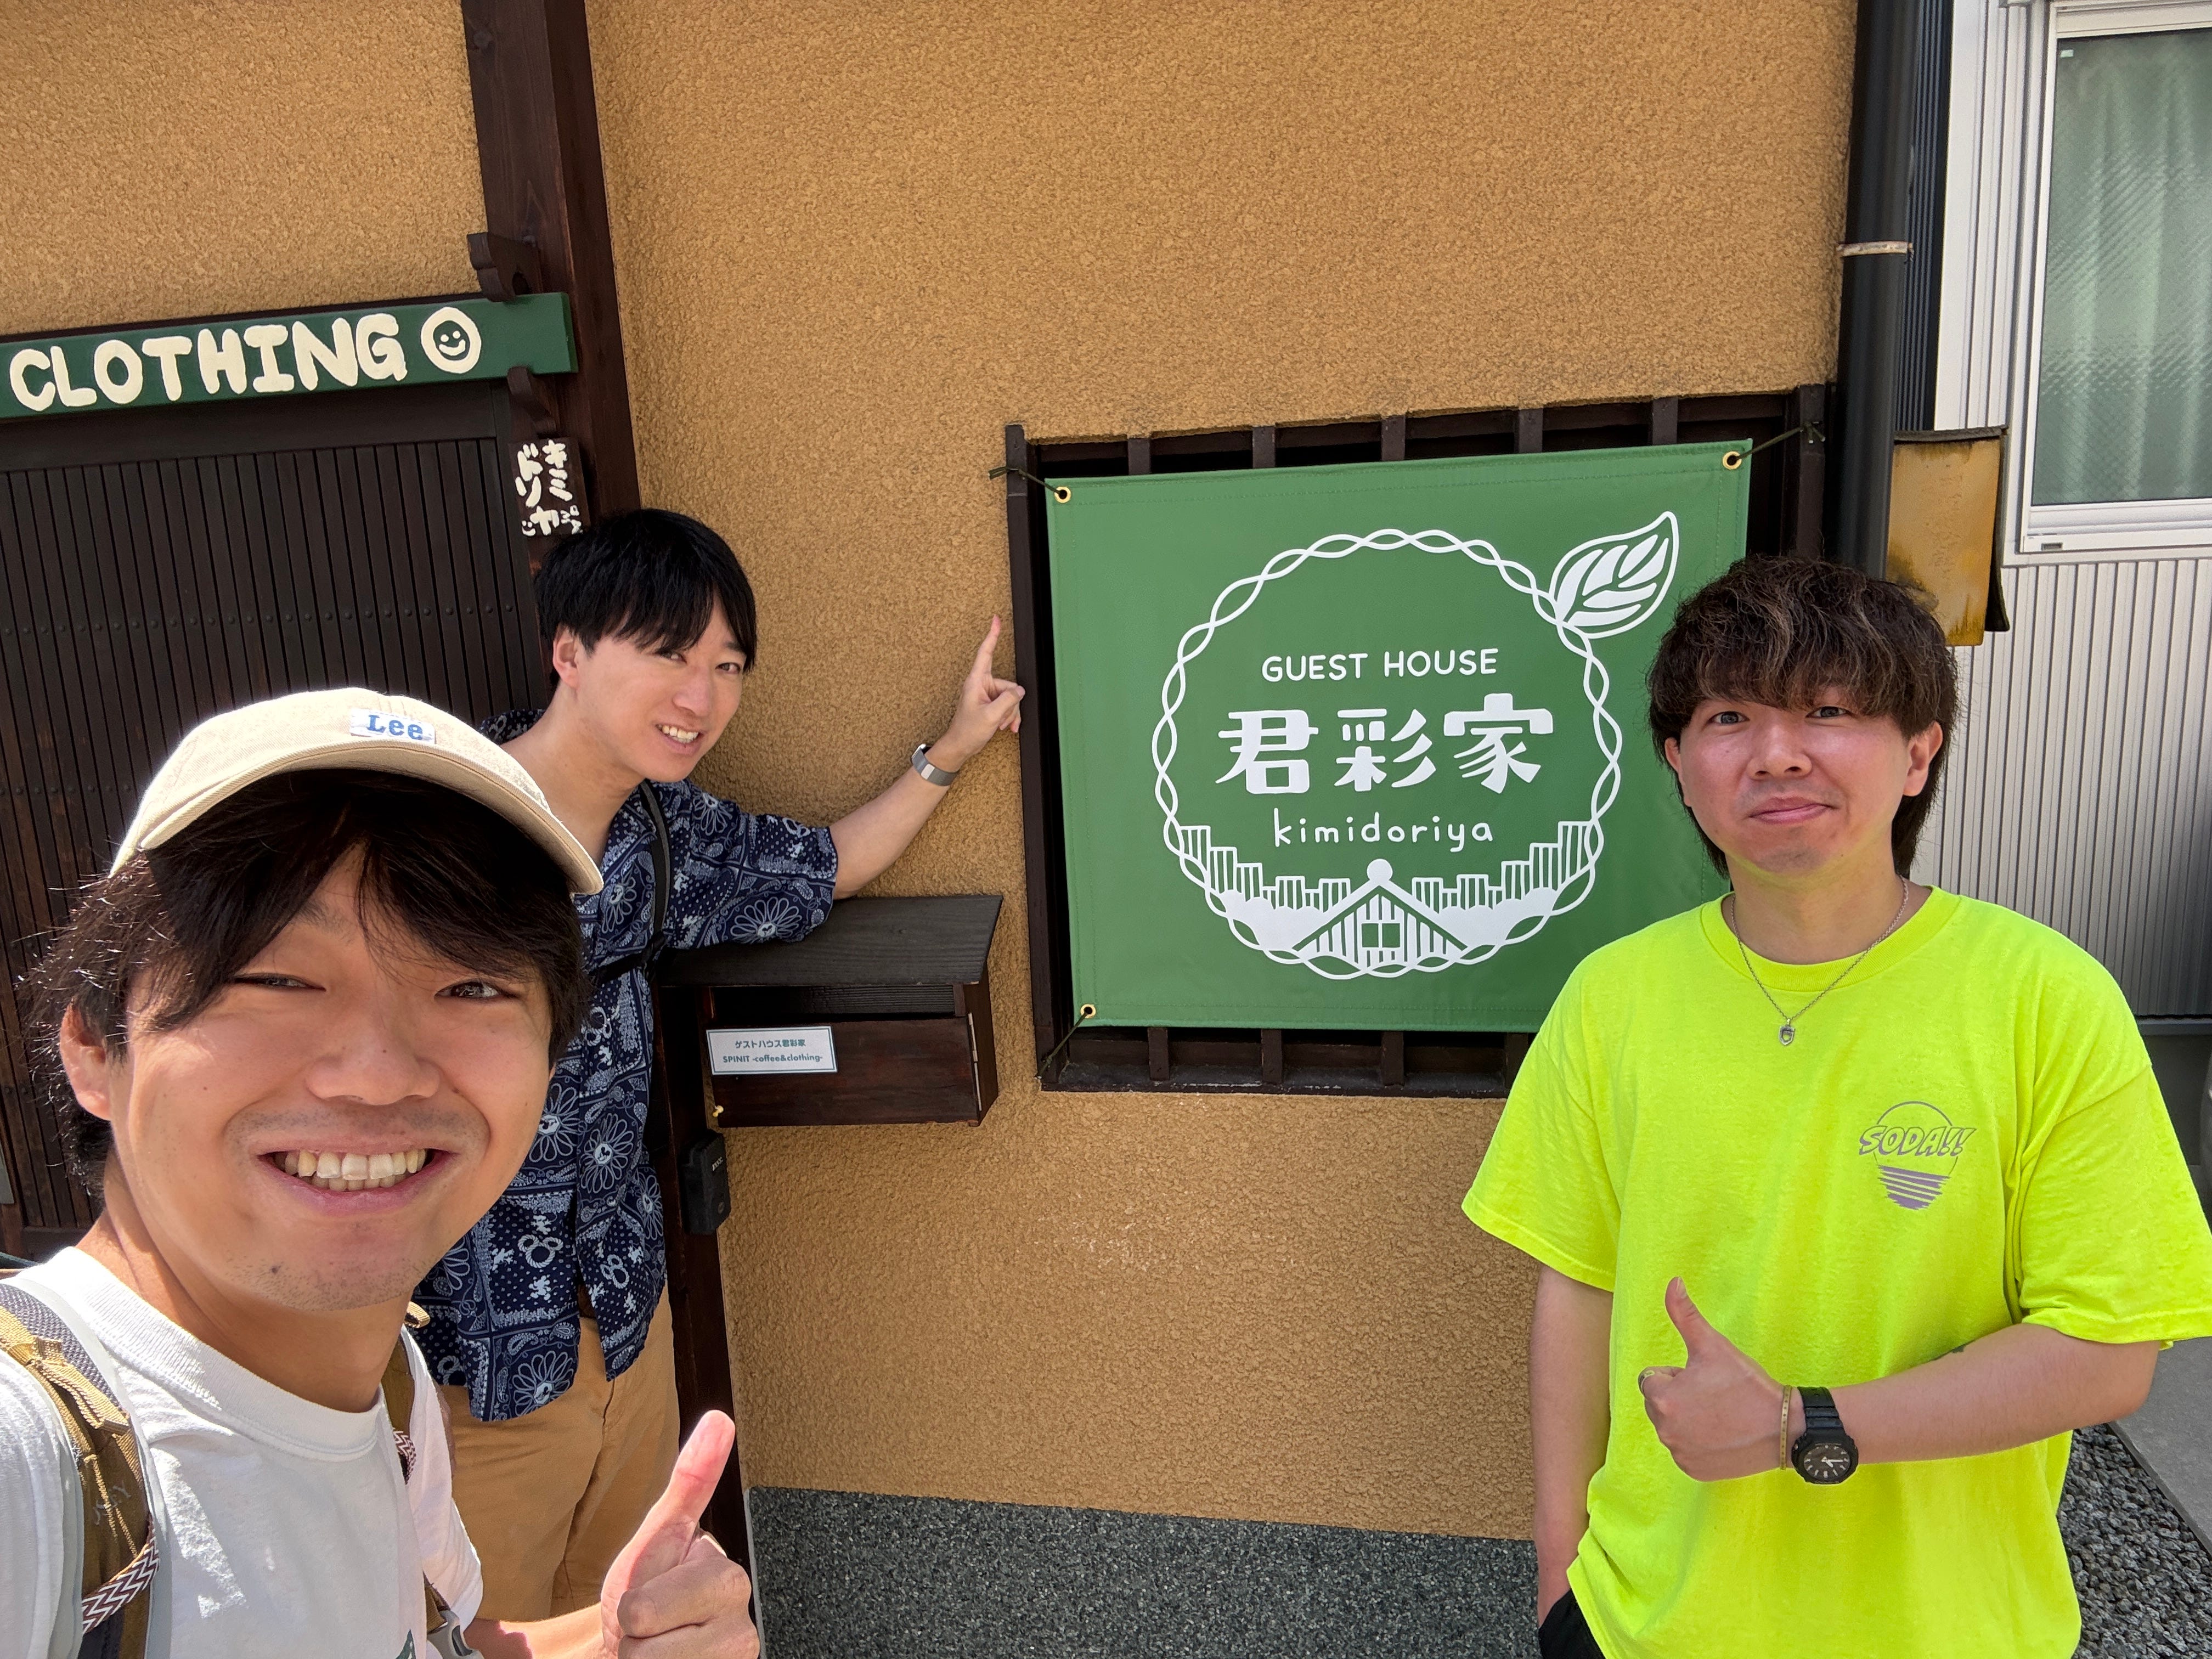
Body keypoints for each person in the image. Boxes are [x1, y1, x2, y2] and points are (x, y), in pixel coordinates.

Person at [1463, 557, 2212, 1659]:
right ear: (1678, 765)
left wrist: (1797, 1425)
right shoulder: (1612, 997)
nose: (1777, 752)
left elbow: (2106, 1351)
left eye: (1829, 711)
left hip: (1947, 1631)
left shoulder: (2043, 997)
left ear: (1918, 754)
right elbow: (1580, 1288)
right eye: (1729, 716)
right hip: (1642, 1621)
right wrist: (1559, 1571)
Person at [0, 688, 759, 1658]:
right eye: (276, 978)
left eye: (470, 985)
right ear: (94, 1049)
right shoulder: (35, 1467)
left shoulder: (389, 1386)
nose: (377, 1073)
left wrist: (613, 1647)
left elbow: (432, 1638)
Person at [419, 508, 1024, 1621]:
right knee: (473, 1634)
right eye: (667, 653)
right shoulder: (437, 840)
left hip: (626, 1316)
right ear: (568, 652)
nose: (699, 696)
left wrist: (952, 750)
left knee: (627, 1621)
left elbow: (821, 867)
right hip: (472, 1365)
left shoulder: (664, 833)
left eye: (728, 665)